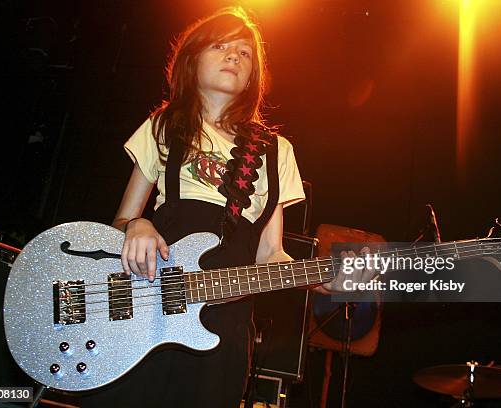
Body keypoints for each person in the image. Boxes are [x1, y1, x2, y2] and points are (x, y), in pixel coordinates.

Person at [81, 7, 371, 407]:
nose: (234, 56)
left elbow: (271, 254)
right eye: (221, 46)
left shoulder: (275, 150)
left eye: (245, 52)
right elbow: (122, 219)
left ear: (253, 74)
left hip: (225, 325)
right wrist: (139, 226)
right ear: (192, 59)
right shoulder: (163, 125)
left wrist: (317, 275)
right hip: (146, 307)